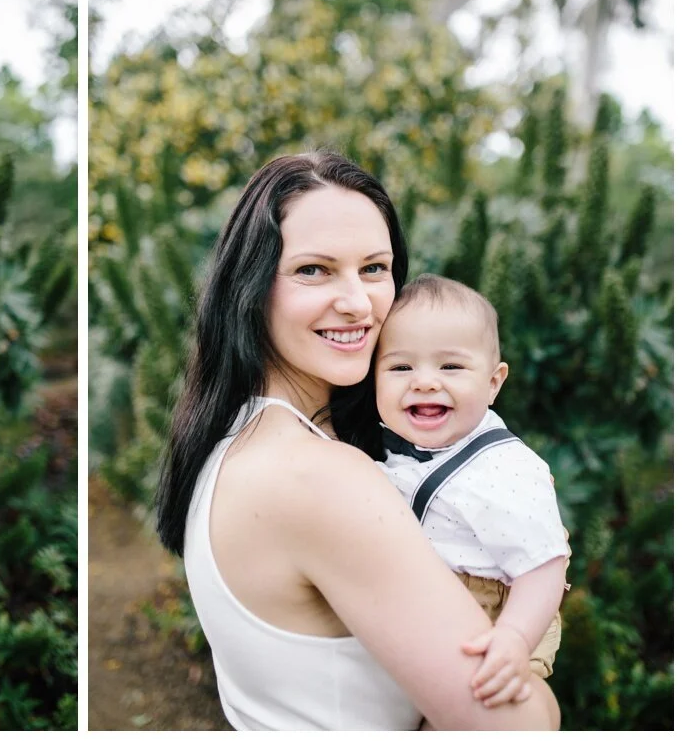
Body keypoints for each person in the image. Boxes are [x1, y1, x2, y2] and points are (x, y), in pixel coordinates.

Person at [151, 151, 560, 730]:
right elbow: (519, 726)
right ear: (251, 286)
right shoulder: (319, 476)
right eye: (313, 270)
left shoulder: (234, 439)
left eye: (374, 268)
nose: (357, 301)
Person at [373, 274, 568, 697]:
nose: (424, 381)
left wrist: (514, 637)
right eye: (401, 367)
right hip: (419, 606)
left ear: (493, 382)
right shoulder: (387, 443)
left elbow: (544, 565)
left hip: (490, 614)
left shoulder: (504, 469)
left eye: (451, 366)